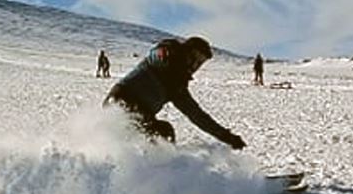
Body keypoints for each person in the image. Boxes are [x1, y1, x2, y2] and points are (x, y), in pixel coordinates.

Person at [104, 37, 246, 149]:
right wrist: (167, 52)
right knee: (162, 132)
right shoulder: (167, 54)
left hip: (138, 112)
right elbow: (157, 54)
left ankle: (143, 172)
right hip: (120, 102)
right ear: (187, 50)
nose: (196, 65)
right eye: (196, 58)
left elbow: (196, 115)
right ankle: (159, 174)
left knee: (159, 132)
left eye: (201, 63)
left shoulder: (177, 87)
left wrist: (227, 137)